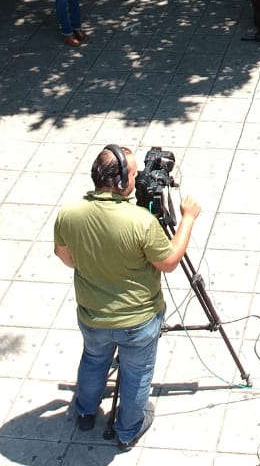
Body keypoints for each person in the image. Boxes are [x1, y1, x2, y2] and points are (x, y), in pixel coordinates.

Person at [54, 146, 201, 452]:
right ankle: (127, 429)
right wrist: (187, 218)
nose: (138, 179)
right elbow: (170, 261)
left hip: (92, 315)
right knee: (136, 375)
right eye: (134, 174)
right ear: (121, 181)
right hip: (138, 321)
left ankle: (85, 413)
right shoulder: (141, 222)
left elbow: (66, 257)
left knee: (93, 361)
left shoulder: (68, 214)